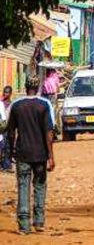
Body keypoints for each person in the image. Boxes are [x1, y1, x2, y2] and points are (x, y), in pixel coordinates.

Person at [6, 78, 55, 235]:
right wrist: (51, 156)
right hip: (40, 154)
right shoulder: (44, 105)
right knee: (40, 186)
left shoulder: (17, 105)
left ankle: (24, 225)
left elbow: (11, 132)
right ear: (38, 86)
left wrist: (12, 150)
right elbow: (49, 133)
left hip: (23, 153)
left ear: (26, 86)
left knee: (23, 186)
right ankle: (39, 221)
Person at [0, 85, 11, 171]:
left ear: (10, 93)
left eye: (7, 92)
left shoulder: (11, 104)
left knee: (7, 146)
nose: (5, 93)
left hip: (7, 128)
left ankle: (6, 164)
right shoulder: (1, 103)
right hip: (2, 127)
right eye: (4, 92)